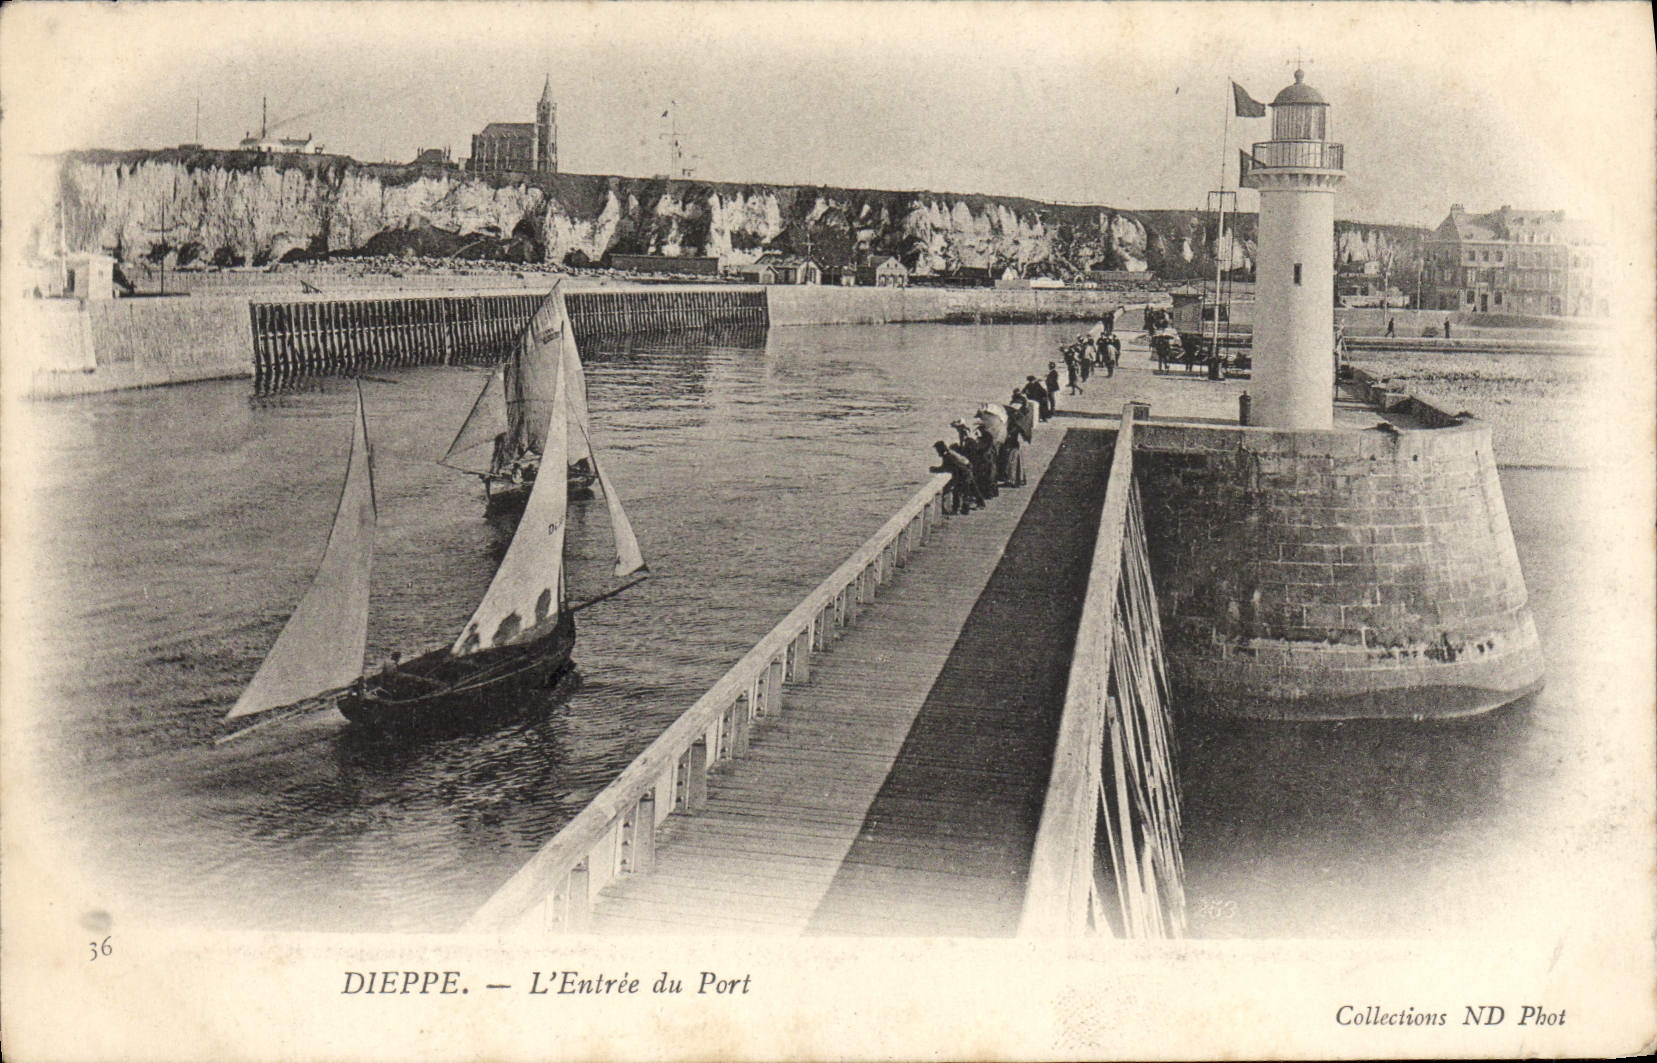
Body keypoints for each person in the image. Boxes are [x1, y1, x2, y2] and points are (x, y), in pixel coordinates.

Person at [932, 440, 982, 513]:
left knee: (958, 492)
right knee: (964, 491)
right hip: (966, 471)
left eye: (937, 450)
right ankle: (964, 508)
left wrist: (935, 469)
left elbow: (946, 467)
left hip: (963, 474)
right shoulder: (950, 453)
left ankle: (957, 509)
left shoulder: (948, 456)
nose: (937, 452)